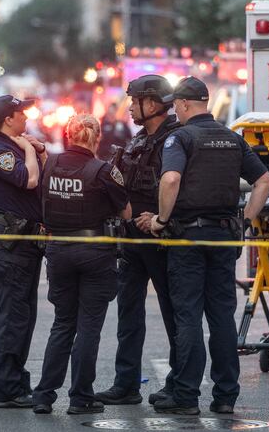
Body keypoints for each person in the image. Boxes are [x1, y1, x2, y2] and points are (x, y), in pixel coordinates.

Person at [144, 77, 269, 415]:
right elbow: (263, 181)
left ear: (185, 105)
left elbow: (171, 179)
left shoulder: (181, 137)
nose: (174, 110)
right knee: (221, 317)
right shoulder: (233, 139)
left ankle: (185, 396)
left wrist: (160, 219)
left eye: (175, 105)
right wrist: (244, 219)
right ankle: (225, 396)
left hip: (188, 238)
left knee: (188, 315)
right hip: (225, 237)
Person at [32, 114, 131, 415]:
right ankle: (81, 397)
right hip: (95, 253)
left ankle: (44, 396)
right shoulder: (102, 170)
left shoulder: (51, 165)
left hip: (58, 251)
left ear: (67, 135)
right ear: (96, 138)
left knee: (63, 323)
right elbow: (126, 212)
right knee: (88, 326)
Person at [95, 75, 180, 406]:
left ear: (153, 104)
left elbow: (177, 187)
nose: (129, 107)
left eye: (135, 101)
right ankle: (126, 384)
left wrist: (161, 221)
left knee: (175, 314)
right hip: (131, 241)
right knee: (128, 313)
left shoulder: (176, 140)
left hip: (163, 241)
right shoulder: (137, 140)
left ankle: (179, 383)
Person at [0, 95, 47, 409]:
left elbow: (43, 176)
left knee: (23, 316)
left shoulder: (11, 145)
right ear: (8, 118)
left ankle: (16, 382)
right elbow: (29, 180)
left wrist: (38, 150)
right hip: (9, 241)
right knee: (13, 316)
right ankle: (6, 389)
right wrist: (31, 149)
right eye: (22, 113)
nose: (27, 119)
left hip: (24, 240)